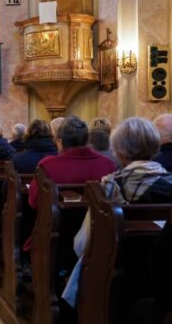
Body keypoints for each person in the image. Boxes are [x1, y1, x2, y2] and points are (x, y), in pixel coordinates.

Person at [63, 117, 172, 309]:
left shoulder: (110, 186)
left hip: (120, 275)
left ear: (120, 152)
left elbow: (82, 243)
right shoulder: (169, 182)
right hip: (164, 278)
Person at [24, 116, 116, 250]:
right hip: (98, 239)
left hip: (57, 238)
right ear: (86, 139)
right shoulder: (108, 165)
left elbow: (34, 201)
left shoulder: (47, 165)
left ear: (60, 142)